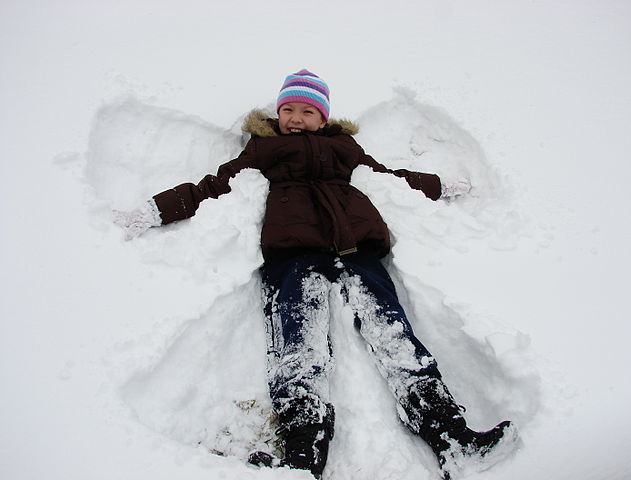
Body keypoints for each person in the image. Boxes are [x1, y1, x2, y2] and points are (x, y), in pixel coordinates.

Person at [114, 69, 517, 479]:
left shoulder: (344, 148)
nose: (295, 117)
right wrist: (155, 210)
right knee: (298, 344)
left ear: (323, 118)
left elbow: (389, 178)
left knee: (393, 331)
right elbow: (212, 186)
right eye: (287, 109)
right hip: (293, 256)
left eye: (307, 111)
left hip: (356, 251)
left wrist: (438, 186)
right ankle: (303, 450)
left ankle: (449, 433)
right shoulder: (264, 150)